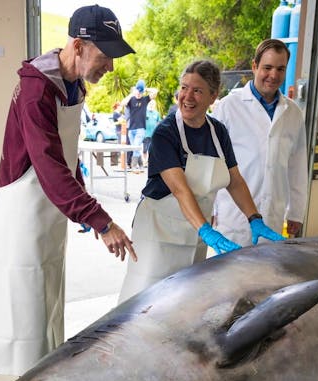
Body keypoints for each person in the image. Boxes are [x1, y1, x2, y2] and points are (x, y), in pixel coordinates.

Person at [0, 5, 138, 376]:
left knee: (49, 306)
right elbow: (49, 165)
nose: (111, 67)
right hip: (23, 214)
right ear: (77, 45)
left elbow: (66, 158)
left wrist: (81, 202)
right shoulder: (37, 89)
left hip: (48, 210)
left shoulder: (73, 86)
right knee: (25, 317)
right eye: (105, 56)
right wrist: (101, 221)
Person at [118, 60, 282, 303]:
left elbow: (234, 180)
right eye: (184, 88)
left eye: (197, 90)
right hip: (159, 233)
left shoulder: (218, 132)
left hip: (194, 234)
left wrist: (254, 219)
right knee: (145, 302)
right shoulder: (166, 133)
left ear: (213, 95)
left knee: (183, 302)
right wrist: (208, 232)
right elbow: (180, 189)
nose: (188, 96)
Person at [212, 39, 309, 244]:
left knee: (266, 274)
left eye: (280, 69)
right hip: (233, 218)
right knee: (230, 274)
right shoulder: (229, 107)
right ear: (255, 66)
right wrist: (210, 209)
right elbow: (212, 162)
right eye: (267, 67)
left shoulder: (293, 113)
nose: (273, 75)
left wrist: (296, 212)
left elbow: (297, 166)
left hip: (273, 216)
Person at [124, 80, 151, 170]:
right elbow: (123, 103)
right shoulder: (131, 99)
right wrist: (132, 94)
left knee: (136, 147)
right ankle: (141, 165)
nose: (139, 94)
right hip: (131, 129)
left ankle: (134, 165)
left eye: (141, 92)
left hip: (141, 128)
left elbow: (155, 92)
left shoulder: (145, 99)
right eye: (138, 91)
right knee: (135, 148)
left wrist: (146, 89)